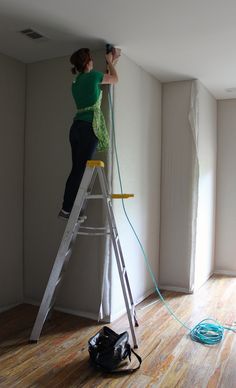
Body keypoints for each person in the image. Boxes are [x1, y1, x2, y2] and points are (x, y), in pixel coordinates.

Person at [59, 47, 119, 219]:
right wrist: (109, 62)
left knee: (76, 169)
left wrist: (111, 62)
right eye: (91, 59)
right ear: (88, 62)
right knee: (81, 170)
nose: (93, 61)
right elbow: (115, 79)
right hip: (88, 127)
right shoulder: (94, 76)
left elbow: (102, 81)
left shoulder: (76, 82)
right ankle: (67, 210)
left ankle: (66, 208)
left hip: (76, 127)